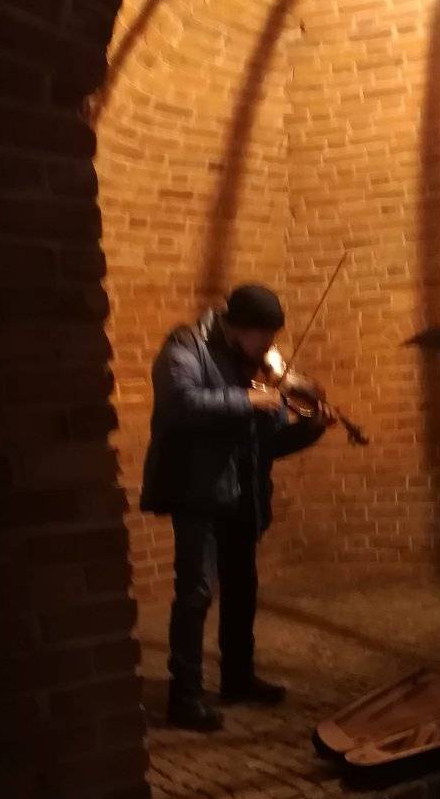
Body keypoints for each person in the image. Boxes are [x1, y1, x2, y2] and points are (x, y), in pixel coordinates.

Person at [140, 284, 329, 731]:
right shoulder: (185, 347)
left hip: (242, 492)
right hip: (197, 490)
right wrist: (246, 398)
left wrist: (311, 428)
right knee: (197, 591)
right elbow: (180, 403)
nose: (268, 348)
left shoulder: (253, 368)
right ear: (236, 327)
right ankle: (185, 696)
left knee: (243, 587)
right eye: (263, 336)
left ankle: (238, 678)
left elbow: (268, 442)